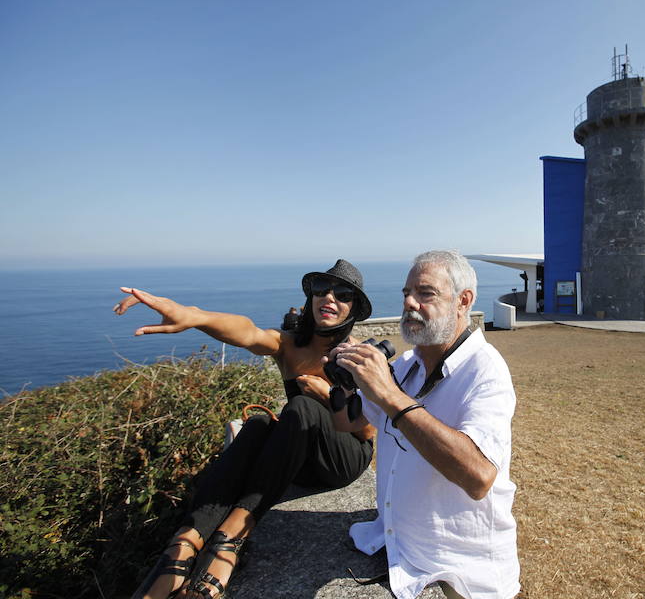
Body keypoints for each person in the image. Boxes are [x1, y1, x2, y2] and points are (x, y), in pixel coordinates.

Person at [115, 259, 377, 599]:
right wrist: (195, 317)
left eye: (343, 294)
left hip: (343, 459)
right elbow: (248, 332)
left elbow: (367, 434)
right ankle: (185, 542)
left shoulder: (360, 355)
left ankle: (233, 536)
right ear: (311, 297)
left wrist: (329, 399)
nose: (330, 298)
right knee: (257, 424)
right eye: (321, 289)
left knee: (302, 406)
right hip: (300, 458)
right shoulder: (290, 345)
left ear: (353, 308)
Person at [326, 250, 519, 599]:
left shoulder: (485, 371)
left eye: (425, 293)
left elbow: (478, 477)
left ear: (463, 301)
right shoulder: (406, 366)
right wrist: (344, 382)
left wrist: (391, 395)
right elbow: (347, 422)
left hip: (460, 570)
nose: (410, 303)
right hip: (396, 547)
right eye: (406, 293)